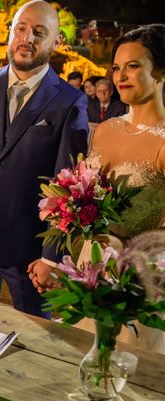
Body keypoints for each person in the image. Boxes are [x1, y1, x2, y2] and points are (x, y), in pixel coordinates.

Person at [0, 0, 89, 318]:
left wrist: (51, 257)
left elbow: (67, 185)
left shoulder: (70, 102)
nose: (28, 38)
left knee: (36, 341)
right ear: (10, 32)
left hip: (29, 251)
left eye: (40, 32)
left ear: (56, 41)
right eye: (21, 29)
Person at [86, 24, 165, 353]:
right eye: (117, 68)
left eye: (133, 66)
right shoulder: (104, 130)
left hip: (138, 284)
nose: (121, 76)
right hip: (90, 270)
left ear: (160, 71)